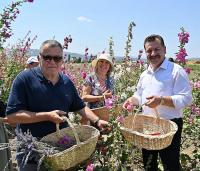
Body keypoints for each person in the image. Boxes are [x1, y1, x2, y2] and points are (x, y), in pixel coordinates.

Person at [2, 40, 108, 171]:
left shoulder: (66, 82)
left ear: (62, 60)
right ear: (39, 58)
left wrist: (97, 120)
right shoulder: (24, 79)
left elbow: (79, 106)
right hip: (32, 152)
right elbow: (12, 116)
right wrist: (47, 116)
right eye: (47, 57)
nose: (52, 62)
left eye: (57, 58)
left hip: (62, 151)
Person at [123, 34, 192, 171]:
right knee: (149, 164)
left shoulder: (176, 71)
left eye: (157, 49)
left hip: (169, 126)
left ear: (164, 50)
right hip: (147, 125)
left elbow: (186, 98)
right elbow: (139, 95)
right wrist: (131, 100)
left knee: (170, 164)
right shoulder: (144, 74)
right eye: (149, 50)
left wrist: (161, 100)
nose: (153, 53)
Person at [81, 53, 114, 124]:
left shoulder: (110, 79)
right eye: (101, 61)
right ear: (97, 63)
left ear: (109, 66)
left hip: (106, 115)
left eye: (107, 62)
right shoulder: (90, 78)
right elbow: (84, 97)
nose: (104, 64)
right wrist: (101, 97)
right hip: (92, 116)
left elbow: (111, 96)